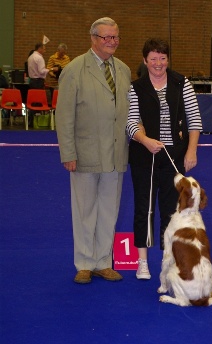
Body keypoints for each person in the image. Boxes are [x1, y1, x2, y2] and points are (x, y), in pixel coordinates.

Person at [55, 17, 131, 284]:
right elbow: (63, 115)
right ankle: (85, 262)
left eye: (115, 37)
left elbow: (127, 113)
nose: (112, 42)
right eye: (106, 37)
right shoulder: (75, 69)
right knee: (85, 210)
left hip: (115, 154)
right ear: (93, 39)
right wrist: (68, 152)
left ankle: (102, 261)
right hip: (84, 152)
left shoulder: (123, 70)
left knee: (109, 210)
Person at [126, 38, 202, 280]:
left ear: (168, 60)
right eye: (153, 59)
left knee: (172, 211)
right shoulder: (135, 87)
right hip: (144, 156)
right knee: (144, 209)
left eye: (162, 58)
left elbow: (194, 119)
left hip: (174, 157)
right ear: (145, 61)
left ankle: (167, 262)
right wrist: (145, 140)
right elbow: (130, 122)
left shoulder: (182, 83)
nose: (158, 63)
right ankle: (142, 262)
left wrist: (192, 151)